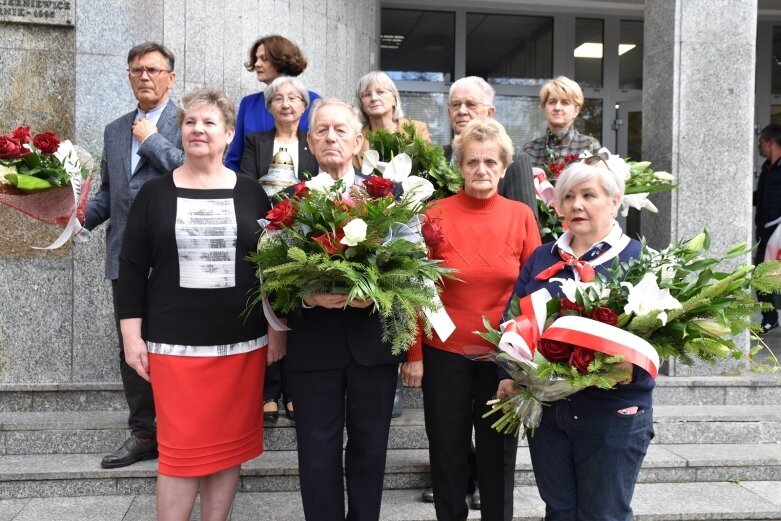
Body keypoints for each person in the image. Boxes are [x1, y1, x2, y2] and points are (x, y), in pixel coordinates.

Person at [118, 87, 276, 520]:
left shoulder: (252, 195)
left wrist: (276, 333)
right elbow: (130, 268)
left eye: (209, 123)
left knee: (228, 450)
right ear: (179, 131)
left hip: (241, 346)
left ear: (228, 135)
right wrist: (132, 338)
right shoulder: (154, 194)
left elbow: (269, 270)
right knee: (180, 453)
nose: (198, 129)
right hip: (174, 347)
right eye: (190, 122)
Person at [272, 97, 417, 521]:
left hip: (372, 345)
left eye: (340, 130)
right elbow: (272, 275)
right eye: (321, 131)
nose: (330, 137)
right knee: (316, 452)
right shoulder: (288, 200)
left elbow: (413, 265)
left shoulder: (388, 195)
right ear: (309, 143)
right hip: (313, 345)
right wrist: (306, 296)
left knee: (371, 449)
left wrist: (379, 290)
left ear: (358, 141)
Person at [403, 119, 541, 521]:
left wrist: (527, 359)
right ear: (460, 166)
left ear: (503, 167)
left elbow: (534, 290)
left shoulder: (521, 216)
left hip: (503, 359)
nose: (482, 169)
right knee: (446, 453)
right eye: (473, 162)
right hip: (444, 353)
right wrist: (413, 352)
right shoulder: (434, 214)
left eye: (491, 162)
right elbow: (415, 285)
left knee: (498, 458)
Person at [506, 156, 653, 521]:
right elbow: (510, 321)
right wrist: (508, 374)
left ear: (615, 201)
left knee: (604, 515)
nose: (576, 205)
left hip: (612, 411)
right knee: (559, 512)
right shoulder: (543, 257)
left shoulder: (639, 260)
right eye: (568, 196)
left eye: (589, 195)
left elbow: (658, 339)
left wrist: (625, 368)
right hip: (549, 412)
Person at [84, 41, 184, 470]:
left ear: (170, 77)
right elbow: (111, 192)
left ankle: (181, 430)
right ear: (127, 76)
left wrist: (152, 140)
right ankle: (144, 432)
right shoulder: (114, 128)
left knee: (178, 345)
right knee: (132, 348)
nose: (144, 76)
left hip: (175, 256)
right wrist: (78, 217)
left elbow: (189, 171)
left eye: (153, 70)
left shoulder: (187, 121)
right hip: (124, 254)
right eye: (136, 70)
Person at [239, 75, 318, 422]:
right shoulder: (256, 141)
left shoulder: (312, 143)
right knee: (266, 310)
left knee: (296, 312)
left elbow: (317, 188)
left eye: (294, 98)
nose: (286, 104)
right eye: (279, 98)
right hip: (264, 234)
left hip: (302, 237)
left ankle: (294, 391)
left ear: (304, 106)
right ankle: (268, 391)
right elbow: (246, 183)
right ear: (269, 106)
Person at [355, 70, 430, 417]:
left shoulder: (415, 130)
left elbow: (428, 173)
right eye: (367, 93)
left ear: (395, 97)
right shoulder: (358, 139)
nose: (374, 97)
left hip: (412, 218)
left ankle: (403, 364)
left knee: (407, 289)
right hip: (372, 223)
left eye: (381, 90)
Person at [444, 76, 538, 219]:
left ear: (489, 113)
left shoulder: (515, 161)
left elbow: (526, 223)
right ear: (449, 111)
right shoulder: (437, 156)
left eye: (471, 104)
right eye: (456, 104)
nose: (462, 111)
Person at [225, 35, 321, 172]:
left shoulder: (313, 101)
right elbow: (234, 158)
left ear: (282, 60)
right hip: (252, 187)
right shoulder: (249, 103)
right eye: (256, 58)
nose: (257, 64)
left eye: (264, 59)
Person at [522, 75, 601, 168]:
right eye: (552, 102)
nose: (557, 108)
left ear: (576, 110)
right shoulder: (530, 149)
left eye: (565, 102)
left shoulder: (589, 146)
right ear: (544, 107)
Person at [356, 70, 430, 159]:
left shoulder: (417, 129)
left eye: (380, 92)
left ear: (394, 99)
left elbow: (428, 167)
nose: (374, 98)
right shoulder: (355, 139)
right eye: (367, 94)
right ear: (361, 104)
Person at [754, 124, 781, 332]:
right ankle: (770, 317)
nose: (758, 145)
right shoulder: (766, 168)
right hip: (764, 230)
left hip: (779, 229)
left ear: (771, 142)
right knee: (761, 275)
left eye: (761, 141)